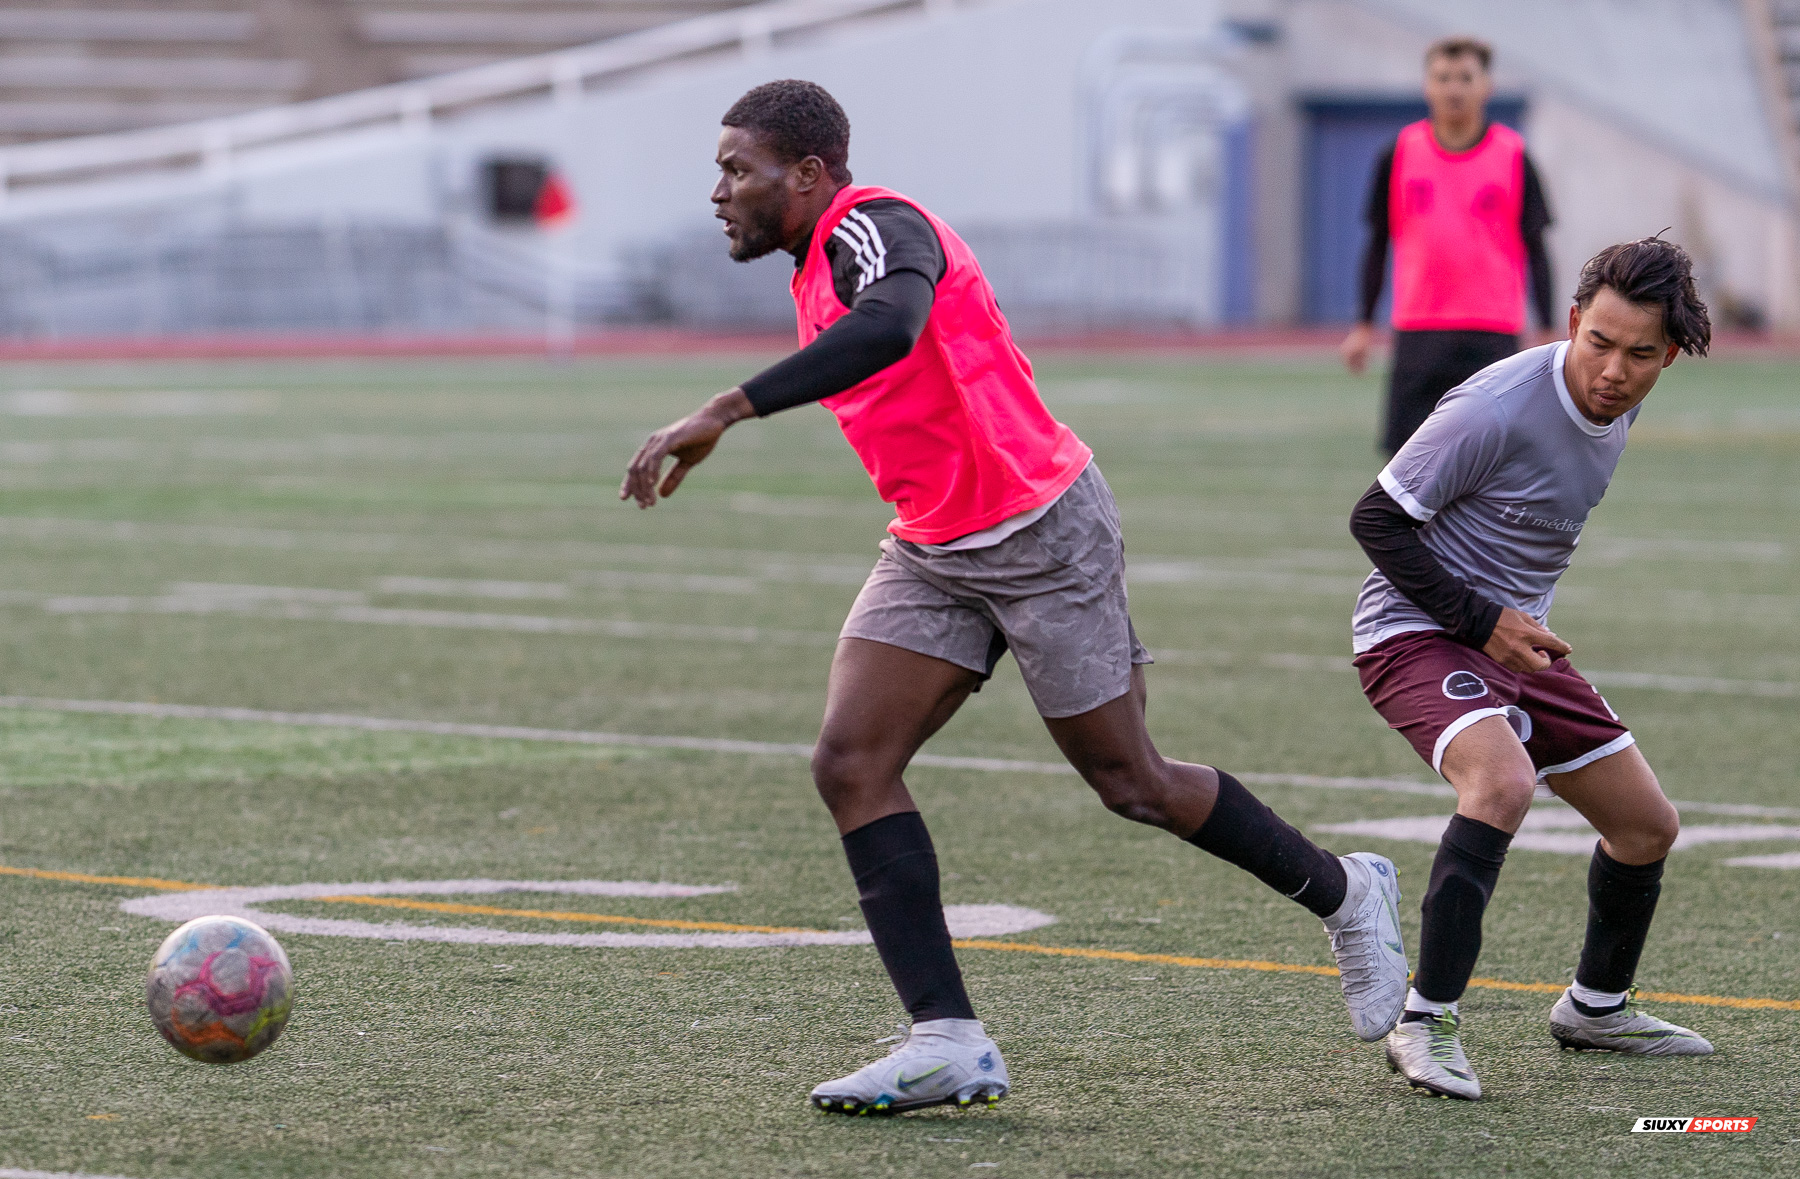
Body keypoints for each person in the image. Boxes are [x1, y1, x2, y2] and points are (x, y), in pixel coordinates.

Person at [621, 79, 1410, 1116]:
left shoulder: (873, 226)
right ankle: (947, 1041)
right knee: (851, 763)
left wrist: (728, 406)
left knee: (1132, 782)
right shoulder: (813, 260)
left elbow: (894, 324)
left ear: (808, 175)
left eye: (737, 169)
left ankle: (1346, 893)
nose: (719, 192)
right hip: (934, 544)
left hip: (1042, 530)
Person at [1346, 237, 1716, 1101]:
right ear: (1575, 320)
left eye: (1640, 355)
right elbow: (1376, 519)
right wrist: (1482, 623)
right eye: (1600, 343)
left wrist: (1509, 628)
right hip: (1415, 631)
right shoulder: (1498, 406)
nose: (1614, 371)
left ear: (1669, 355)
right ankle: (1423, 1023)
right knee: (1502, 784)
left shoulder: (1619, 403)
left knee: (1645, 827)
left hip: (1517, 638)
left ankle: (1596, 1007)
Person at [1340, 36, 1557, 456]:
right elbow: (1377, 243)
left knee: (1492, 457)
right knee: (1407, 459)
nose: (1454, 88)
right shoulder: (1399, 153)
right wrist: (1364, 324)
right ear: (1427, 86)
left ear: (1486, 87)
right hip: (1420, 329)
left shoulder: (1514, 155)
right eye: (1443, 78)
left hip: (1492, 331)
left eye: (1465, 78)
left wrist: (1546, 326)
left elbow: (1537, 247)